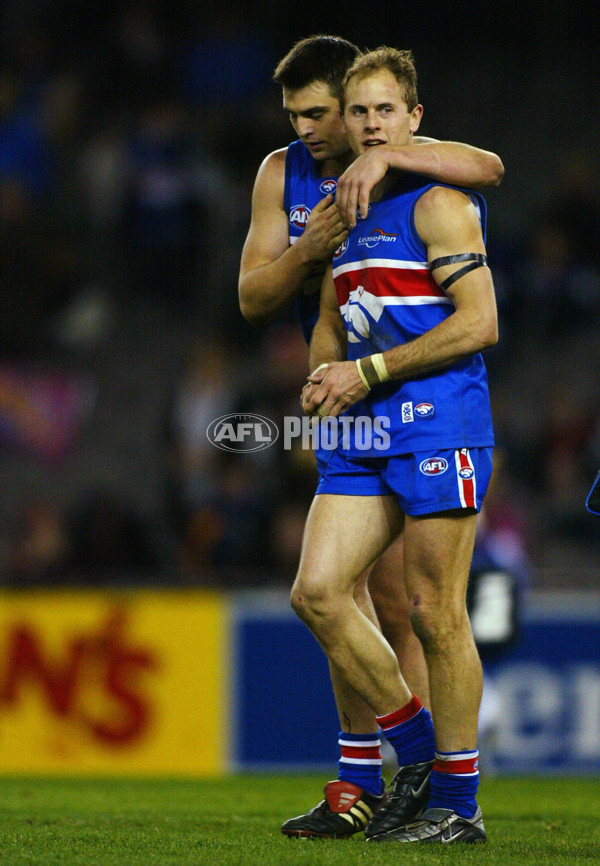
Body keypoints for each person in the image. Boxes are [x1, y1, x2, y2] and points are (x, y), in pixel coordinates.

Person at [238, 35, 503, 840]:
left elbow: (483, 322)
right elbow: (321, 317)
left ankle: (458, 807)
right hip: (362, 422)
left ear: (412, 118)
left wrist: (372, 369)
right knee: (318, 592)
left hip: (435, 423)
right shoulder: (330, 208)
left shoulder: (438, 199)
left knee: (430, 612)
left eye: (383, 110)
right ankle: (416, 750)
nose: (367, 124)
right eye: (359, 112)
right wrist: (328, 376)